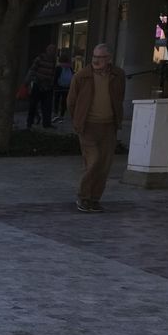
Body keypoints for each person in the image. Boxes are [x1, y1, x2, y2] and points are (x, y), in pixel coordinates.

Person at [67, 43, 125, 213]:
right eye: (94, 57)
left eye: (101, 58)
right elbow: (71, 102)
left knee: (104, 164)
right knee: (93, 161)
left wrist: (117, 119)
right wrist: (79, 120)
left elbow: (119, 97)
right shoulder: (82, 76)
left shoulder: (118, 75)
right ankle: (83, 197)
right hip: (88, 126)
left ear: (109, 59)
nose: (96, 61)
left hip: (108, 126)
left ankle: (94, 198)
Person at [25, 43, 58, 129]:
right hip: (38, 84)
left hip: (48, 86)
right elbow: (32, 69)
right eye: (51, 50)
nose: (52, 52)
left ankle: (47, 123)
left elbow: (53, 72)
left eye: (54, 51)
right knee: (33, 105)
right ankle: (29, 122)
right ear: (47, 50)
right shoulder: (40, 58)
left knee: (47, 106)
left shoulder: (53, 60)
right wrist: (28, 81)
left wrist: (51, 82)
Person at [53, 50, 74, 121]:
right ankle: (62, 114)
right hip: (67, 87)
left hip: (59, 86)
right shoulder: (70, 68)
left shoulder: (58, 67)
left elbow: (55, 77)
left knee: (57, 99)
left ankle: (55, 113)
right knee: (64, 101)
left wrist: (54, 85)